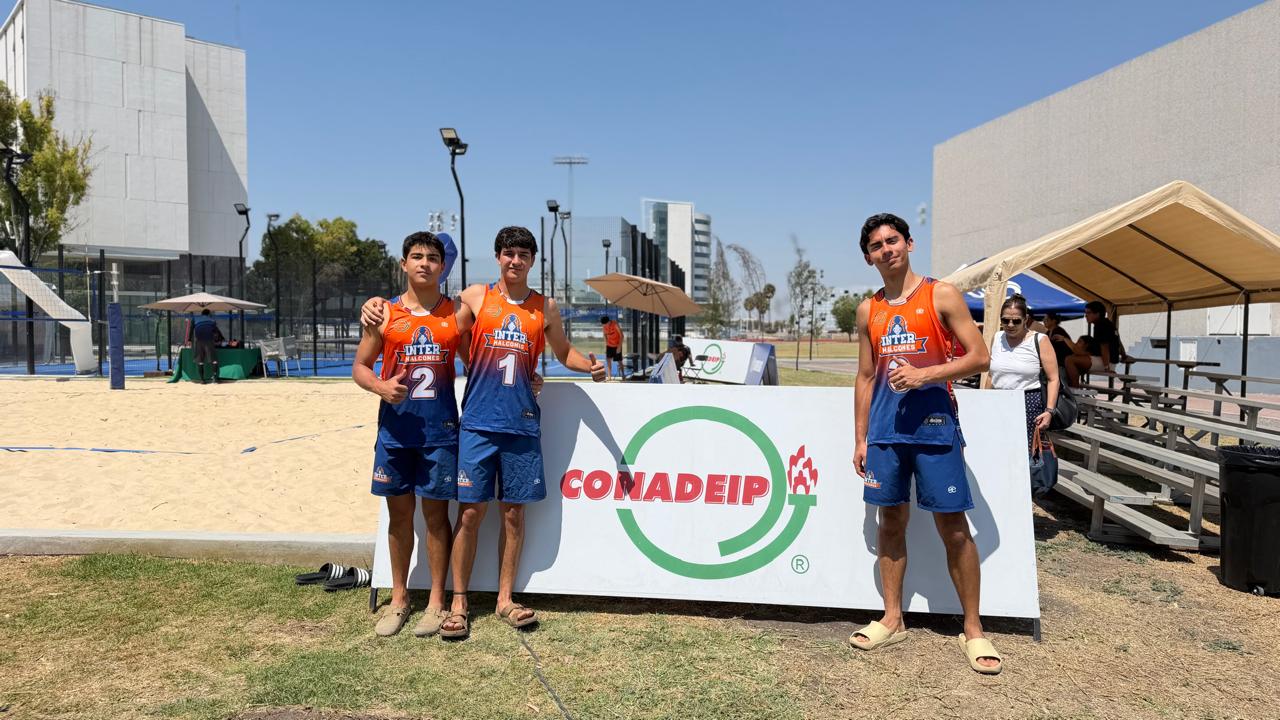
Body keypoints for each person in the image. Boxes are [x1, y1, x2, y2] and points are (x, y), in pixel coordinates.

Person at [362, 226, 605, 639]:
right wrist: (376, 305)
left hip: (521, 423)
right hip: (473, 423)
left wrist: (591, 367)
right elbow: (443, 332)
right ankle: (456, 603)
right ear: (498, 257)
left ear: (532, 261)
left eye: (523, 254)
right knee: (469, 513)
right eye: (508, 253)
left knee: (513, 515)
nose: (515, 260)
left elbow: (563, 352)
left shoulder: (544, 308)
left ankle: (504, 599)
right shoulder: (475, 297)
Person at [849, 212, 1002, 675]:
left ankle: (973, 630)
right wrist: (860, 437)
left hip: (935, 430)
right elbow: (865, 376)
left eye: (893, 240)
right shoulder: (867, 309)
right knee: (890, 522)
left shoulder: (941, 294)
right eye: (877, 246)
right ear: (868, 257)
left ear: (909, 244)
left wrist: (925, 375)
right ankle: (892, 618)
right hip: (884, 435)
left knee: (954, 529)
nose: (886, 250)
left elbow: (980, 357)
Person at [352, 232, 460, 639]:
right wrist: (380, 386)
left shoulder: (457, 313)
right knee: (399, 516)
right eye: (416, 256)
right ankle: (399, 599)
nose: (425, 263)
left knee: (435, 516)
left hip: (440, 431)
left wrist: (527, 376)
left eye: (433, 257)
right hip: (396, 431)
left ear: (441, 265)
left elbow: (487, 353)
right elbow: (360, 366)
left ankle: (436, 600)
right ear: (403, 264)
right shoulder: (383, 313)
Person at [988, 296, 1060, 452]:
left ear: (1026, 319)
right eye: (1005, 320)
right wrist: (985, 400)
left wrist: (1049, 411)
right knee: (997, 451)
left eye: (1016, 321)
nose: (1010, 325)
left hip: (1028, 403)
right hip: (997, 401)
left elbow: (1053, 378)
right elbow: (990, 375)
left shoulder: (1040, 340)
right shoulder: (997, 337)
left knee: (1023, 455)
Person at [1065, 301, 1126, 387]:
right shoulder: (1108, 324)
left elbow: (1104, 347)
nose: (1086, 316)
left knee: (1069, 360)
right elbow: (1118, 342)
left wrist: (1106, 368)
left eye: (1088, 313)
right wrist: (1124, 355)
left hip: (1107, 362)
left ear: (1097, 314)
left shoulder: (1101, 326)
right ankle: (1074, 388)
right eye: (1086, 313)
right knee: (1075, 360)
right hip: (1108, 361)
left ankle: (1074, 391)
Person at [189, 309, 224, 384]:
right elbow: (216, 331)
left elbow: (191, 330)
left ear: (201, 314)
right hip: (209, 341)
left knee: (200, 361)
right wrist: (221, 338)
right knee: (214, 360)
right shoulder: (212, 320)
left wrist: (189, 340)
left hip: (199, 341)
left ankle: (202, 380)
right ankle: (215, 378)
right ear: (209, 314)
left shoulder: (194, 319)